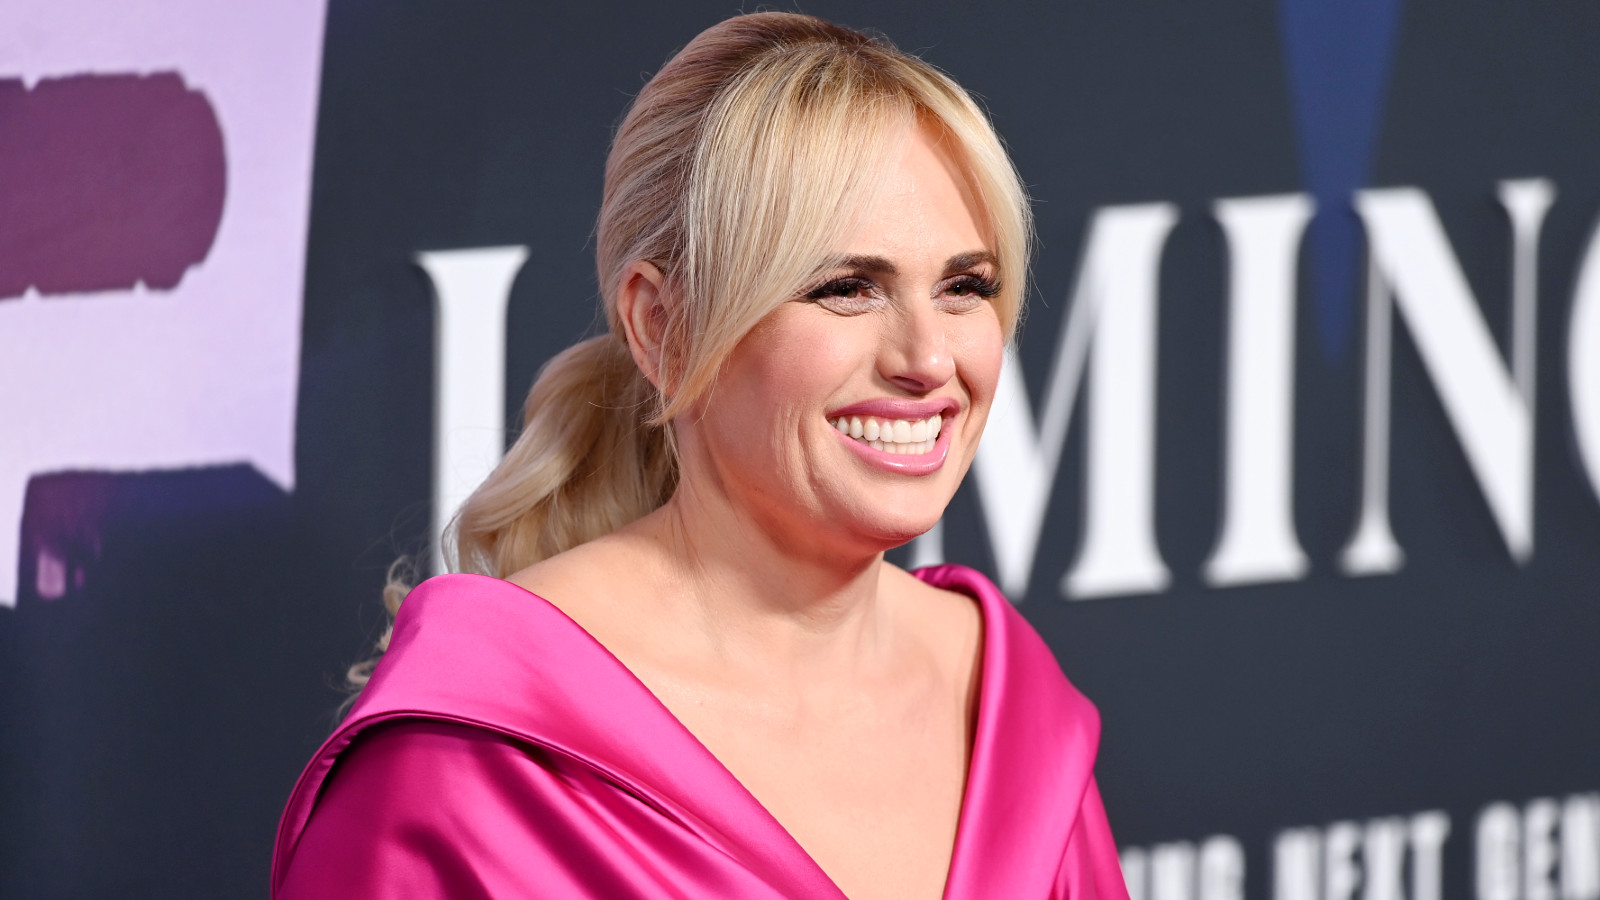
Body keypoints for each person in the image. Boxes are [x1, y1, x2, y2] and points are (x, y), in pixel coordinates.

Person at [272, 11, 1128, 900]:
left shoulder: (1012, 707)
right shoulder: (467, 760)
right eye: (846, 288)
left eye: (964, 287)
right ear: (662, 327)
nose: (926, 359)